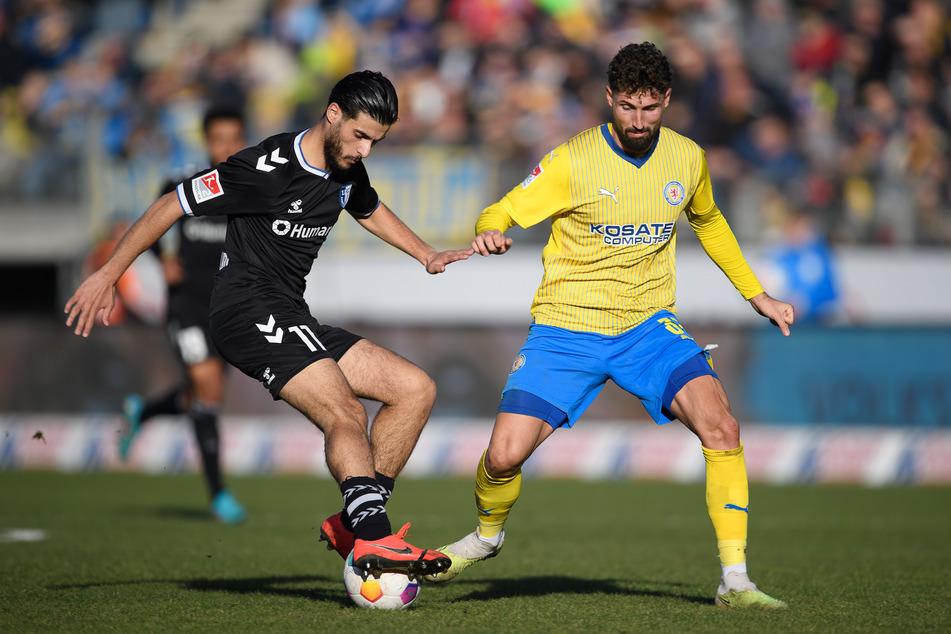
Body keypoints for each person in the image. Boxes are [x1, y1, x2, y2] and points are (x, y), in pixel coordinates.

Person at [424, 43, 793, 610]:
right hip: (565, 331)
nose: (638, 121)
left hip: (647, 328)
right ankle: (487, 537)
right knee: (503, 458)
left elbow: (710, 220)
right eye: (627, 107)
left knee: (722, 428)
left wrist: (757, 294)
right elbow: (500, 210)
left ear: (667, 100)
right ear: (609, 99)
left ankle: (735, 581)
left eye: (649, 108)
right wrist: (489, 232)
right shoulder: (573, 160)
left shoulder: (688, 158)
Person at [65, 70, 472, 577]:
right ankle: (374, 538)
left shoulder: (347, 169)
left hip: (290, 312)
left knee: (415, 389)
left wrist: (425, 254)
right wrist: (109, 273)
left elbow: (366, 207)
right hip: (243, 310)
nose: (366, 151)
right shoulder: (263, 167)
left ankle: (356, 521)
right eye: (360, 136)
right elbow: (173, 203)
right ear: (333, 115)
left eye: (376, 141)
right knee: (344, 413)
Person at [119, 104, 249, 525]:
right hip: (186, 307)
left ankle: (146, 411)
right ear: (207, 141)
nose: (227, 147)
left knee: (201, 398)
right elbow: (153, 222)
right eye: (219, 139)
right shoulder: (185, 183)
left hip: (227, 309)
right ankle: (219, 495)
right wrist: (162, 259)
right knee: (206, 384)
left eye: (234, 138)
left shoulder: (251, 190)